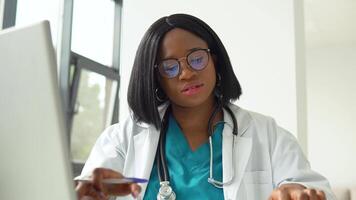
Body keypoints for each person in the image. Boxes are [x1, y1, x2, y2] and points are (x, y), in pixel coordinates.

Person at [75, 13, 336, 200]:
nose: (187, 73)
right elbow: (88, 190)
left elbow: (314, 189)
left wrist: (299, 192)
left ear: (215, 60)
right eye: (170, 66)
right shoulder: (122, 141)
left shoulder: (266, 134)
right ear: (155, 78)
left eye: (197, 59)